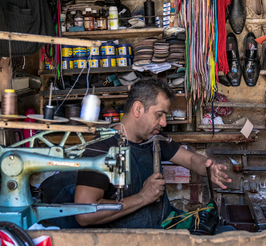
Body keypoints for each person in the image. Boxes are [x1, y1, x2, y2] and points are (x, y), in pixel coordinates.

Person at [74, 78, 233, 232]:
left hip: (161, 229)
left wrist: (209, 167)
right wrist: (142, 197)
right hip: (127, 242)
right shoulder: (101, 148)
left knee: (227, 232)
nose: (164, 122)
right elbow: (85, 214)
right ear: (138, 109)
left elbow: (191, 159)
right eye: (159, 114)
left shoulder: (153, 139)